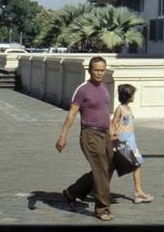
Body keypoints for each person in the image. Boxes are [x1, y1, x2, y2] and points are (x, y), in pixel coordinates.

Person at [57, 57, 116, 221]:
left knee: (108, 168)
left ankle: (72, 192)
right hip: (90, 134)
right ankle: (101, 208)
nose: (100, 73)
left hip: (105, 134)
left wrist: (112, 130)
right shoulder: (82, 89)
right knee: (101, 170)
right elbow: (71, 114)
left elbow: (104, 111)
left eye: (102, 70)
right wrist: (63, 136)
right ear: (90, 70)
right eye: (97, 70)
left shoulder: (104, 88)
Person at [110, 84, 153, 205]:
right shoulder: (120, 109)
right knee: (115, 165)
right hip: (123, 142)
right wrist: (113, 135)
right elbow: (113, 123)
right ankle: (104, 191)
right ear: (128, 96)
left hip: (130, 141)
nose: (134, 96)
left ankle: (138, 191)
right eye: (133, 94)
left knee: (137, 164)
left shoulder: (128, 108)